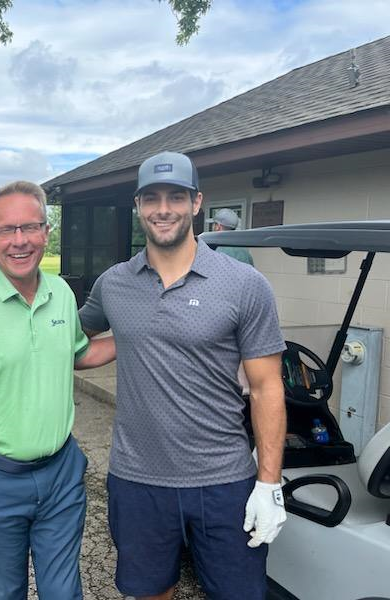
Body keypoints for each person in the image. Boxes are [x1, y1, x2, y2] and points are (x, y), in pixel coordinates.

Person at [80, 152, 286, 600]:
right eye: (151, 197)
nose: (163, 208)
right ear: (138, 205)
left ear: (197, 203)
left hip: (224, 480)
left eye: (176, 196)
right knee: (151, 592)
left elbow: (268, 388)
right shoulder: (113, 284)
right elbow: (73, 340)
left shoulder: (244, 284)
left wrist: (269, 482)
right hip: (137, 480)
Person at [0, 180, 116, 600]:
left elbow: (77, 353)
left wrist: (136, 334)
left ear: (47, 232)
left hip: (62, 474)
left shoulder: (62, 294)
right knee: (6, 593)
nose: (19, 241)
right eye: (6, 230)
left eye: (29, 227)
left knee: (64, 593)